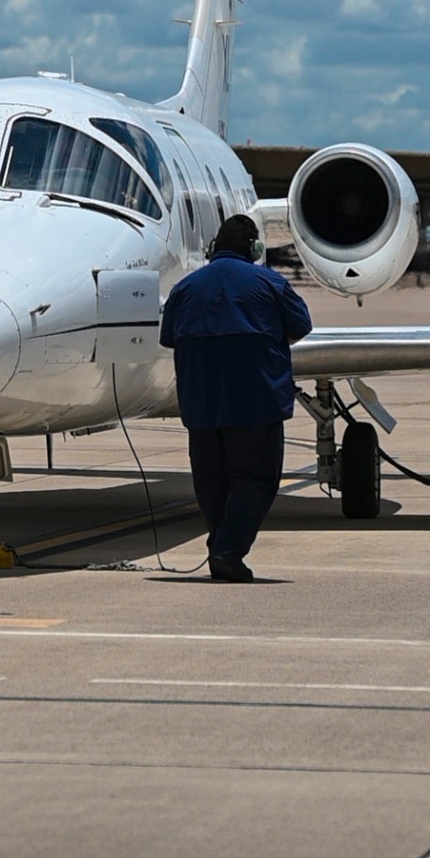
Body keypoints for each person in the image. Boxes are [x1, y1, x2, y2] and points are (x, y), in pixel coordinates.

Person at [159, 213, 312, 582]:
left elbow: (168, 338)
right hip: (255, 403)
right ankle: (227, 551)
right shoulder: (269, 283)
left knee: (213, 481)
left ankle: (222, 548)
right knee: (255, 478)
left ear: (213, 249)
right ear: (255, 248)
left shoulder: (185, 288)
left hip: (202, 404)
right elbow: (301, 325)